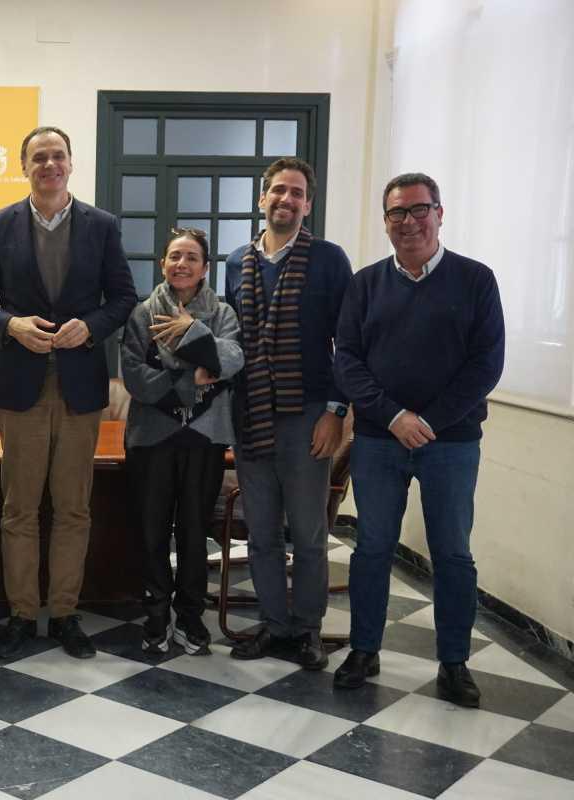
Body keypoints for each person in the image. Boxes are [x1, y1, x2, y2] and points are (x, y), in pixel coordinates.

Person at [333, 173, 504, 707]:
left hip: (451, 442)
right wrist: (395, 416)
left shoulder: (476, 279)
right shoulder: (364, 284)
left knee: (452, 554)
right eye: (396, 213)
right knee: (373, 549)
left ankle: (454, 662)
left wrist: (425, 421)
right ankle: (364, 649)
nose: (408, 221)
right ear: (385, 223)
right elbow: (348, 361)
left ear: (439, 212)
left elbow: (486, 364)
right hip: (380, 441)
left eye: (418, 209)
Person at [0, 126, 137, 659]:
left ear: (70, 163)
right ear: (25, 167)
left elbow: (124, 297)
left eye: (57, 156)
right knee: (19, 508)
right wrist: (11, 325)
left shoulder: (102, 226)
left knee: (73, 509)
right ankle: (21, 613)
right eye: (38, 157)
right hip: (20, 387)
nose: (49, 165)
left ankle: (63, 613)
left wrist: (90, 326)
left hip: (82, 387)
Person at [224, 157, 352, 670]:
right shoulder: (237, 261)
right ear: (262, 199)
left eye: (297, 193)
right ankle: (275, 625)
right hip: (251, 413)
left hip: (307, 416)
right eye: (278, 191)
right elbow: (231, 341)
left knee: (308, 533)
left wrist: (336, 412)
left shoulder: (328, 259)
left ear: (308, 204)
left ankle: (307, 629)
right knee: (261, 533)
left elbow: (350, 342)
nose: (286, 199)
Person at [122, 228, 243, 656]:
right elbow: (136, 377)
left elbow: (231, 361)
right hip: (151, 436)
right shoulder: (141, 314)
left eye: (192, 257)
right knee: (152, 529)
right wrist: (192, 378)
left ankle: (191, 615)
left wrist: (192, 331)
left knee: (194, 530)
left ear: (205, 268)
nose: (182, 265)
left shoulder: (222, 312)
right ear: (162, 264)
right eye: (174, 256)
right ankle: (155, 614)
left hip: (204, 436)